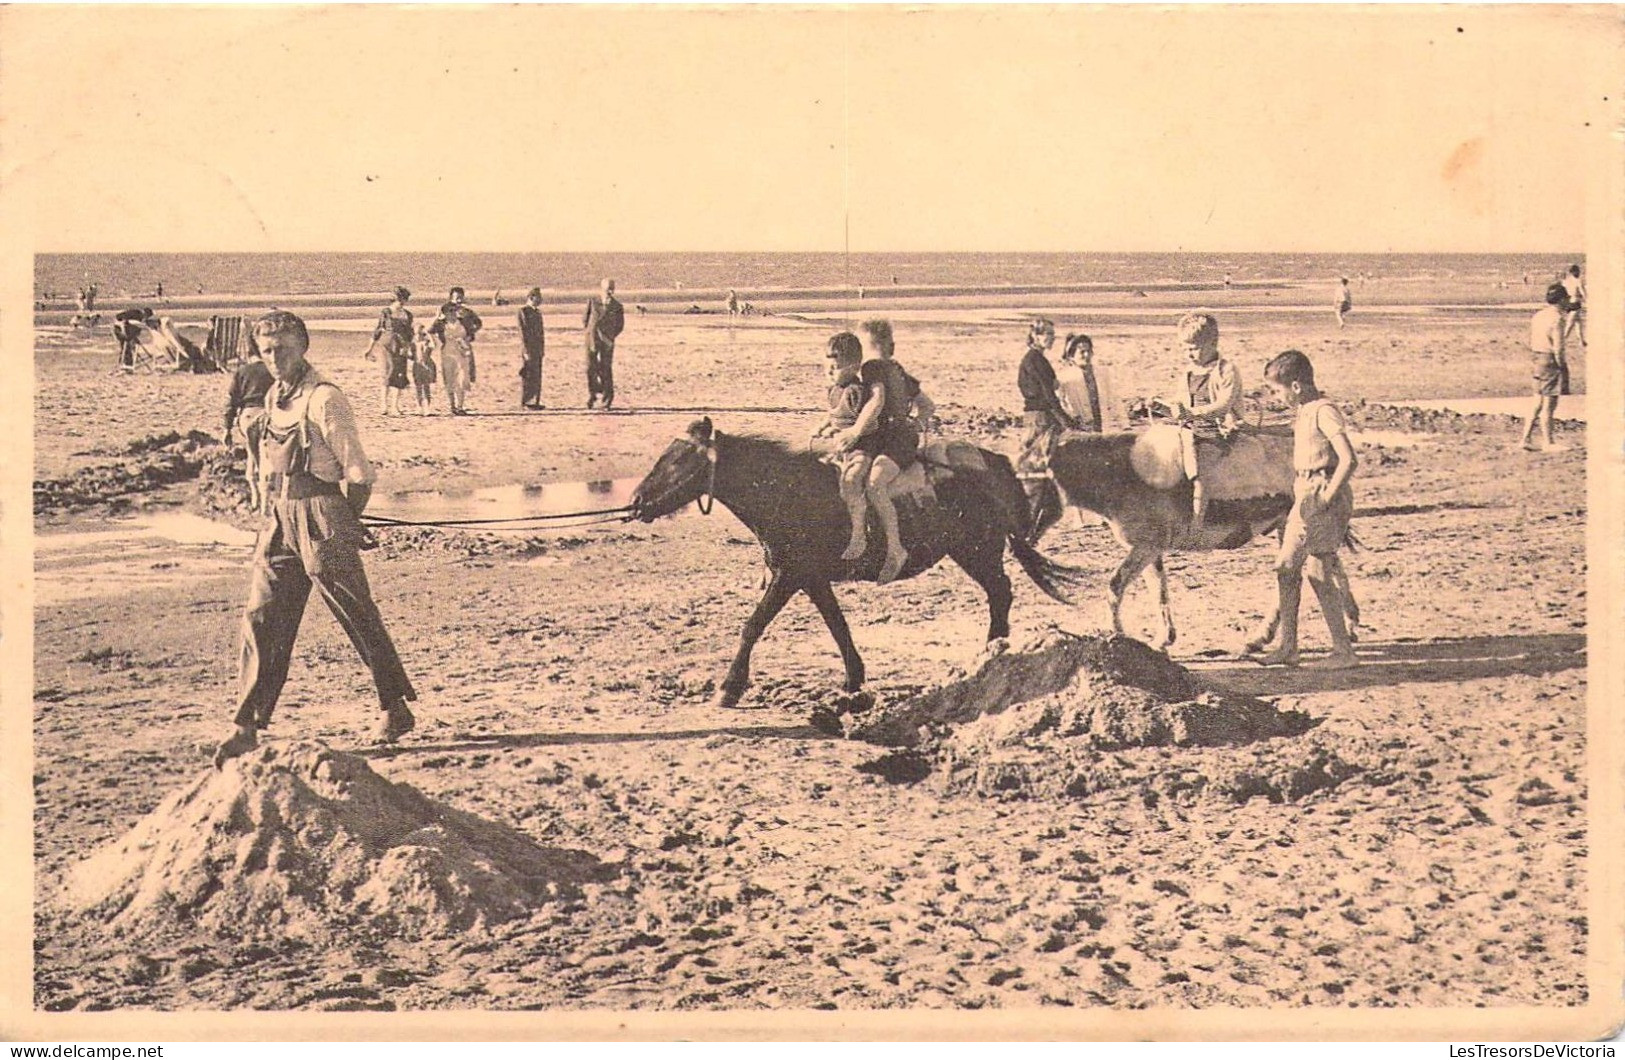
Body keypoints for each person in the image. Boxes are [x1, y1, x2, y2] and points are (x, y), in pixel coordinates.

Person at [213, 310, 417, 767]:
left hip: (322, 513)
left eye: (283, 349)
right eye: (266, 351)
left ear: (303, 347)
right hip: (279, 517)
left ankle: (394, 708)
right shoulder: (272, 397)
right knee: (263, 617)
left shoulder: (325, 399)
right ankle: (247, 725)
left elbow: (359, 472)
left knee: (356, 615)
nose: (274, 359)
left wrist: (345, 518)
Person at [1253, 349, 1359, 670]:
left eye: (1278, 390)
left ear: (1296, 386)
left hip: (1321, 493)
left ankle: (1343, 652)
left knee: (1318, 572)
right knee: (1286, 568)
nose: (1276, 396)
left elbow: (1349, 459)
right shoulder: (1305, 410)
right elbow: (1299, 436)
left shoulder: (1324, 411)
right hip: (1305, 494)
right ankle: (1289, 646)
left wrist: (1327, 498)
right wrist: (1252, 430)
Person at [833, 319, 926, 583]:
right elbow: (927, 405)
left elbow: (877, 400)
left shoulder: (872, 368)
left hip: (894, 442)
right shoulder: (899, 371)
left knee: (875, 484)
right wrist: (915, 422)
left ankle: (895, 548)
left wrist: (854, 432)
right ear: (891, 346)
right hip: (899, 437)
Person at [1170, 311, 1242, 533]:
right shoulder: (1188, 372)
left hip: (1221, 430)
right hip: (1192, 429)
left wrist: (1193, 413)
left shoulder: (1226, 370)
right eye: (1185, 349)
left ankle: (1197, 523)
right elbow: (1182, 401)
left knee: (1201, 466)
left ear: (1213, 343)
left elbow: (1224, 405)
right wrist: (1174, 409)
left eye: (1194, 348)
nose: (1189, 354)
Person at [1016, 319, 1072, 538]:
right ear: (1036, 336)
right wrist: (1066, 420)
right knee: (1039, 468)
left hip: (1035, 417)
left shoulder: (1035, 359)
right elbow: (1048, 397)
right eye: (1047, 334)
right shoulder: (1035, 360)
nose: (1051, 338)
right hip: (1040, 418)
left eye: (1052, 334)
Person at [1520, 283, 1571, 452]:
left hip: (1536, 357)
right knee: (1549, 404)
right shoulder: (1557, 319)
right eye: (1566, 298)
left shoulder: (1538, 316)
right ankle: (1548, 442)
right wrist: (1563, 366)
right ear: (1561, 299)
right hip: (1549, 360)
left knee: (1537, 401)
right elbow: (1559, 347)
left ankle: (1525, 439)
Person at [223, 349, 276, 511]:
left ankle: (255, 500)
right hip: (269, 416)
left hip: (248, 417)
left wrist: (227, 428)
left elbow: (231, 402)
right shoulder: (274, 369)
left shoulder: (242, 371)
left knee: (252, 455)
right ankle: (265, 506)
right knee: (265, 459)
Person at [430, 287, 483, 415]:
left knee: (462, 377)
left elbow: (477, 324)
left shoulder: (466, 314)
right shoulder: (443, 319)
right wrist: (437, 318)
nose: (458, 300)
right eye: (456, 297)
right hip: (447, 350)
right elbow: (431, 329)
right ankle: (453, 406)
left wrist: (470, 336)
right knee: (449, 377)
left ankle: (460, 406)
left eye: (460, 297)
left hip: (462, 349)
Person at [368, 286, 414, 416]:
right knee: (386, 374)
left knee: (400, 375)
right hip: (386, 346)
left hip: (401, 347)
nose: (401, 301)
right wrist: (370, 348)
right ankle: (383, 405)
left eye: (403, 299)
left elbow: (410, 334)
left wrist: (408, 348)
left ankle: (395, 406)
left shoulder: (408, 315)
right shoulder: (386, 312)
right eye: (399, 299)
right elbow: (378, 330)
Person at [583, 278, 625, 409]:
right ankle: (593, 394)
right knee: (590, 368)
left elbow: (620, 325)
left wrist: (610, 337)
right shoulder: (593, 301)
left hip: (607, 342)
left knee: (605, 369)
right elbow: (585, 319)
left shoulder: (617, 306)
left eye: (612, 289)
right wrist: (591, 333)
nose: (610, 291)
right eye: (608, 289)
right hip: (591, 340)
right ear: (602, 288)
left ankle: (607, 399)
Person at [517, 287, 547, 409]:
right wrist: (526, 350)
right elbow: (523, 333)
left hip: (537, 349)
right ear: (531, 297)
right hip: (529, 349)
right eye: (538, 298)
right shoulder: (523, 311)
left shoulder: (537, 312)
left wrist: (542, 349)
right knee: (528, 375)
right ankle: (527, 401)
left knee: (537, 375)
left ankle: (535, 401)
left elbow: (541, 333)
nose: (540, 300)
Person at [1560, 264, 1586, 348]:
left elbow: (1563, 290)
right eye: (1578, 271)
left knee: (1578, 322)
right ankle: (1562, 340)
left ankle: (1581, 341)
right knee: (1570, 323)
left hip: (1569, 302)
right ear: (1576, 272)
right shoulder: (1578, 281)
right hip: (1575, 303)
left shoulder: (1567, 281)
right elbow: (1583, 292)